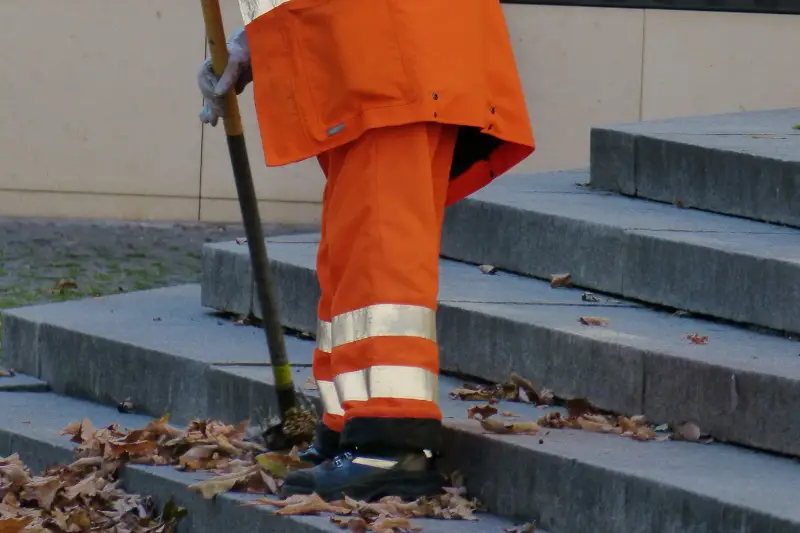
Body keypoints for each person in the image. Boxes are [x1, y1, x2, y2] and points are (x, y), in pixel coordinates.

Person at [197, 0, 534, 502]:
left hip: (387, 51)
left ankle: (390, 438)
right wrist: (253, 44)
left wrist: (254, 41)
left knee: (381, 256)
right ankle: (350, 428)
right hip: (373, 52)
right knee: (353, 256)